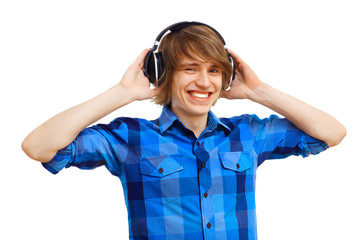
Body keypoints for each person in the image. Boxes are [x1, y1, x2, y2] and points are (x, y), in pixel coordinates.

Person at [22, 22, 346, 240]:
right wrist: (123, 92)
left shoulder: (247, 133)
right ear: (162, 73)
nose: (204, 83)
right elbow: (39, 147)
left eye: (214, 71)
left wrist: (259, 91)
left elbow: (331, 132)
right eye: (189, 68)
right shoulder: (130, 139)